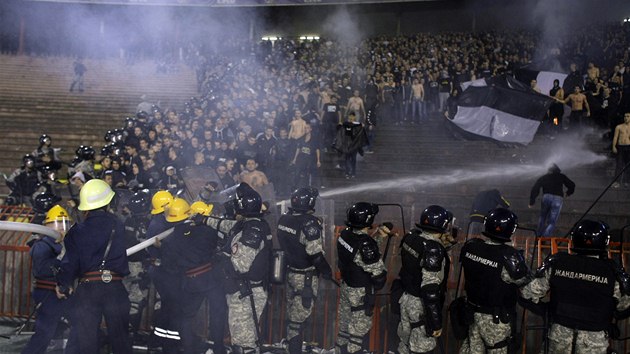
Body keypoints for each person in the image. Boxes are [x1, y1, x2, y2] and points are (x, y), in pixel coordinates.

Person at [520, 219, 630, 353]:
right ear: (605, 241)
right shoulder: (612, 271)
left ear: (574, 238)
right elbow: (624, 307)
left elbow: (527, 293)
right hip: (593, 342)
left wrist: (547, 310)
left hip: (558, 337)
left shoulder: (558, 263)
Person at [56, 179, 132, 354]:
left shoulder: (77, 231)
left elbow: (70, 262)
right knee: (121, 341)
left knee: (86, 342)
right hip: (114, 287)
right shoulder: (118, 225)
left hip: (88, 290)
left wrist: (62, 283)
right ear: (107, 202)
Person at [194, 183, 272, 354]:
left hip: (246, 293)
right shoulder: (249, 223)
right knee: (246, 341)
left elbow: (241, 265)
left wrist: (221, 256)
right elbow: (227, 225)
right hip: (243, 291)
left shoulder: (252, 230)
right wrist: (205, 220)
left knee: (242, 344)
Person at [458, 208, 531, 354]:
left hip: (472, 314)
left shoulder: (471, 247)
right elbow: (529, 288)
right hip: (496, 321)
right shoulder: (509, 257)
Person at [277, 187, 333, 354]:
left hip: (290, 273)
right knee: (299, 318)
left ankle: (289, 347)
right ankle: (294, 350)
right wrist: (326, 270)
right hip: (305, 277)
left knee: (292, 314)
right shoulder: (309, 223)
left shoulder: (284, 219)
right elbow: (315, 254)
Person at [397, 205, 452, 354]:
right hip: (420, 307)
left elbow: (417, 260)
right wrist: (435, 322)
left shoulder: (411, 237)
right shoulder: (433, 249)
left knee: (405, 345)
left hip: (406, 298)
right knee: (422, 348)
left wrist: (443, 247)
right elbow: (430, 288)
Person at [336, 202, 387, 354]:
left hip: (346, 286)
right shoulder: (365, 243)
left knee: (344, 330)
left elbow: (359, 256)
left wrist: (378, 237)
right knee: (357, 336)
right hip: (360, 293)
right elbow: (378, 276)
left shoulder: (345, 234)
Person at [21, 205, 72, 354]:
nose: (62, 228)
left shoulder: (63, 245)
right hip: (47, 291)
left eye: (65, 224)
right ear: (47, 226)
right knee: (44, 331)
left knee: (79, 323)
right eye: (58, 224)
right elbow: (43, 269)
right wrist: (60, 259)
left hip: (61, 290)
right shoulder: (43, 245)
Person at [529, 164, 576, 237]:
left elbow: (535, 188)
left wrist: (532, 201)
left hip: (546, 197)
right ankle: (545, 236)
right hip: (558, 198)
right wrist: (568, 193)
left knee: (542, 217)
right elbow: (572, 185)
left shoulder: (544, 177)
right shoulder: (561, 176)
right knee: (552, 221)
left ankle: (538, 236)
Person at [333, 112, 369, 179]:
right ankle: (347, 172)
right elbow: (338, 129)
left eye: (352, 116)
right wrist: (339, 125)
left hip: (354, 145)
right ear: (348, 117)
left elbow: (363, 130)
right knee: (347, 159)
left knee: (353, 160)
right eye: (350, 116)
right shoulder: (345, 124)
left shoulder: (358, 124)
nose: (351, 117)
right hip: (347, 145)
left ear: (355, 117)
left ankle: (353, 173)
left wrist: (362, 126)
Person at [612, 112, 630, 188]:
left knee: (628, 165)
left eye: (628, 116)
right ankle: (617, 182)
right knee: (619, 164)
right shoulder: (619, 127)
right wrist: (613, 146)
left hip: (628, 147)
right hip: (620, 147)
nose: (626, 117)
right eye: (625, 116)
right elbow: (615, 137)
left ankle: (627, 182)